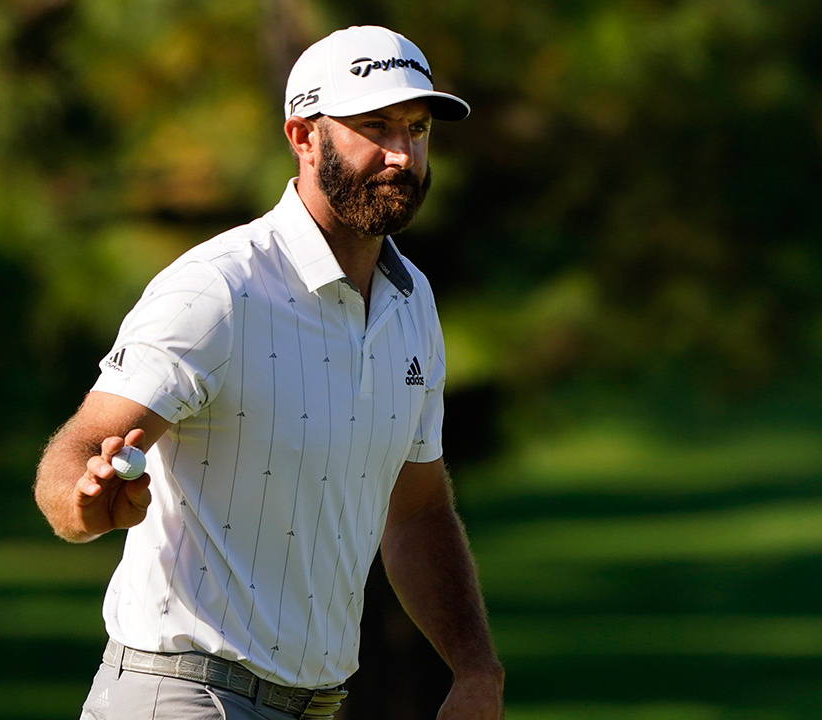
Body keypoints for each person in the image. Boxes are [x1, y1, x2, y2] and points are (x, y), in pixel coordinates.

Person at [34, 25, 504, 720]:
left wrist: (474, 668)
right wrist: (83, 501)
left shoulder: (413, 303)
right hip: (182, 697)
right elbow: (76, 454)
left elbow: (419, 510)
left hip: (314, 706)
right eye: (374, 126)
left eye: (417, 128)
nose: (403, 153)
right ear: (303, 136)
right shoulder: (218, 288)